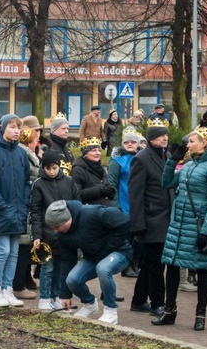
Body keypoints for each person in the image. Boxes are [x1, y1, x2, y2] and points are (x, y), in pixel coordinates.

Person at [153, 126, 207, 331]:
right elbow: (166, 183)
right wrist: (172, 161)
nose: (188, 144)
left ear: (204, 143)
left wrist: (206, 230)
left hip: (198, 225)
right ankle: (169, 311)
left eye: (192, 141)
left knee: (202, 269)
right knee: (173, 265)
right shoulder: (189, 164)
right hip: (179, 224)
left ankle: (200, 315)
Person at [48, 200, 132, 325]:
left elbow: (124, 221)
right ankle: (89, 303)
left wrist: (110, 245)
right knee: (72, 279)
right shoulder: (63, 235)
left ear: (66, 219)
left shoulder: (93, 213)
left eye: (57, 226)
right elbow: (67, 262)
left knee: (103, 269)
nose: (55, 231)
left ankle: (110, 310)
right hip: (93, 257)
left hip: (119, 252)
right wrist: (65, 294)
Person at [0, 114, 31, 307]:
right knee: (3, 250)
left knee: (14, 252)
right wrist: (2, 205)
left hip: (18, 210)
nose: (16, 131)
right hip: (0, 211)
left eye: (18, 127)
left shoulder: (20, 153)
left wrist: (24, 202)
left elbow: (26, 181)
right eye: (12, 127)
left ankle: (7, 289)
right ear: (2, 129)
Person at [129, 119, 173, 318]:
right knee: (156, 264)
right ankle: (157, 303)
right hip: (151, 220)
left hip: (166, 218)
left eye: (166, 134)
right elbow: (135, 194)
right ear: (151, 138)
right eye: (160, 135)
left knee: (148, 262)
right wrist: (138, 224)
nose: (165, 138)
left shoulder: (167, 155)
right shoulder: (141, 158)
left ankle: (138, 300)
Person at [30, 150, 80, 310]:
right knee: (48, 267)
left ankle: (56, 296)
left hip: (65, 232)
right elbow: (36, 211)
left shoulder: (69, 181)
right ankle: (44, 297)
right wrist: (37, 234)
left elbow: (76, 204)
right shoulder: (38, 185)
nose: (51, 172)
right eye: (48, 168)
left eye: (54, 168)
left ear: (59, 166)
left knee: (61, 268)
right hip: (47, 234)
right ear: (43, 168)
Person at [108, 128, 141, 277]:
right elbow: (112, 184)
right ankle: (126, 266)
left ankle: (135, 264)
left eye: (133, 141)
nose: (129, 144)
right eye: (126, 142)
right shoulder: (117, 162)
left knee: (138, 237)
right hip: (124, 203)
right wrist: (116, 206)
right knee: (126, 238)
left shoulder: (142, 158)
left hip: (139, 204)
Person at [13, 127, 41, 300]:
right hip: (26, 205)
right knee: (22, 246)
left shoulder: (25, 154)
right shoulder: (24, 155)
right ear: (29, 142)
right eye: (35, 140)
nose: (37, 143)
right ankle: (18, 284)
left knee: (24, 245)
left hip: (27, 204)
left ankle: (22, 281)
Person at [72, 137, 115, 206]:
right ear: (85, 153)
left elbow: (107, 186)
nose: (97, 153)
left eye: (99, 150)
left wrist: (110, 192)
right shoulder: (78, 170)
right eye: (93, 150)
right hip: (90, 210)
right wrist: (99, 190)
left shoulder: (100, 168)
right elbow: (77, 194)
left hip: (106, 209)